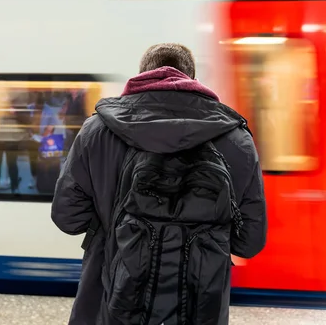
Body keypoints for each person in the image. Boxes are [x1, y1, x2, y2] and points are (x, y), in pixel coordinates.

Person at [51, 43, 267, 325]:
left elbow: (67, 218)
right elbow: (249, 241)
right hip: (200, 310)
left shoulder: (98, 131)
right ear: (192, 78)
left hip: (111, 302)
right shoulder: (236, 139)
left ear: (142, 76)